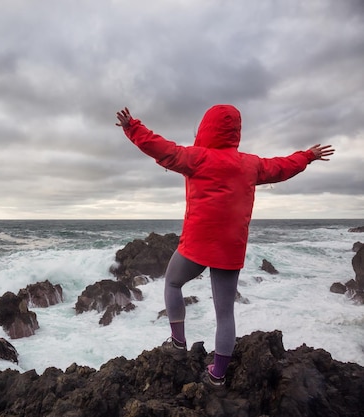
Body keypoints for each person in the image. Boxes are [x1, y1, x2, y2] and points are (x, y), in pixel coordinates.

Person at [115, 104, 334, 387]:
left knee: (171, 283)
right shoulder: (251, 164)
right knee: (225, 312)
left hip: (196, 245)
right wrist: (308, 156)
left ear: (206, 128)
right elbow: (282, 166)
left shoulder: (196, 158)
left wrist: (133, 128)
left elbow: (162, 148)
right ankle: (217, 375)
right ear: (235, 133)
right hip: (231, 248)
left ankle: (178, 342)